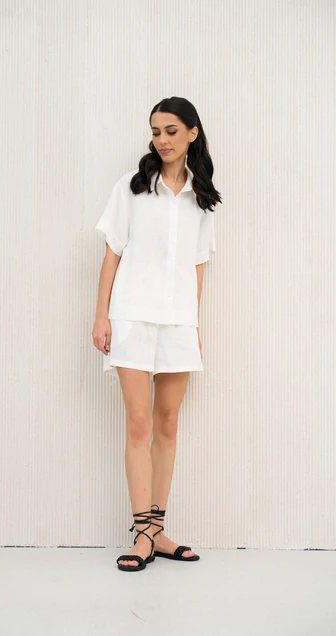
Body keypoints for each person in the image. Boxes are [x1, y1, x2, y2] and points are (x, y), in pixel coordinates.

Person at [92, 96, 221, 572]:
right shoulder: (132, 187)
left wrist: (193, 323)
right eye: (155, 132)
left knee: (168, 424)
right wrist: (101, 316)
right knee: (139, 423)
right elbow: (112, 252)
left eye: (171, 131)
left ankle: (158, 531)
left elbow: (197, 266)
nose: (161, 140)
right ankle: (142, 532)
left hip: (178, 322)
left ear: (192, 133)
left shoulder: (202, 198)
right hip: (132, 317)